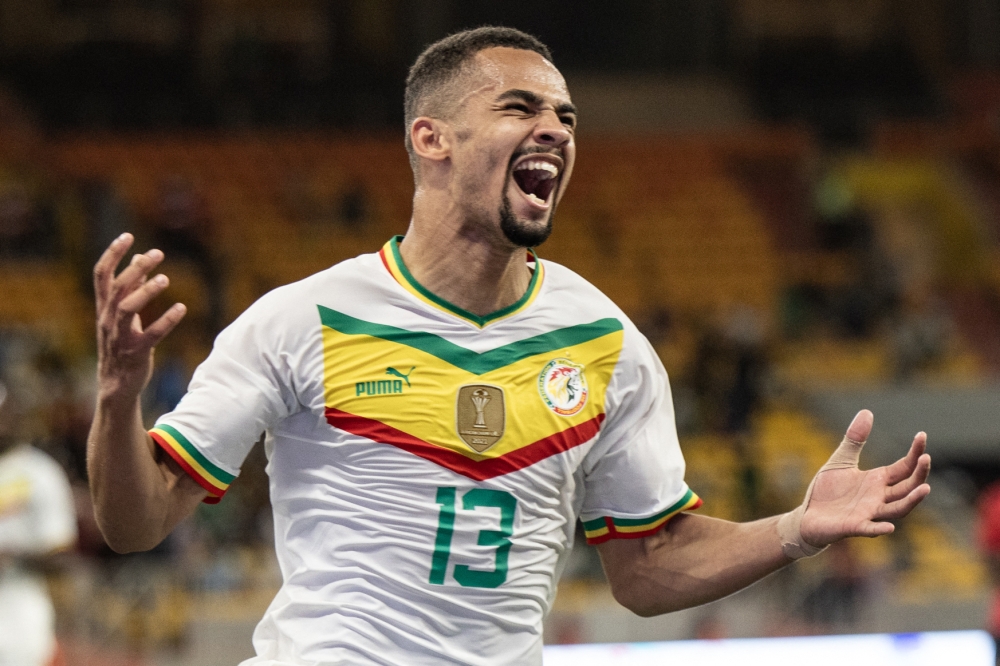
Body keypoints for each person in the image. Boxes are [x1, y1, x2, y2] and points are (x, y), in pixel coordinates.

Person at [87, 27, 931, 666]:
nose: (555, 129)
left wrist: (796, 529)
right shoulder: (302, 320)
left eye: (566, 116)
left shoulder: (607, 345)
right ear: (432, 139)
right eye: (521, 108)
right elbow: (136, 522)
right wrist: (120, 395)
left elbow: (649, 568)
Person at [0, 382, 78, 666]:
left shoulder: (39, 472)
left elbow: (62, 554)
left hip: (19, 609)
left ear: (12, 414)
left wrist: (13, 557)